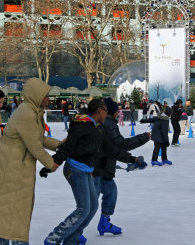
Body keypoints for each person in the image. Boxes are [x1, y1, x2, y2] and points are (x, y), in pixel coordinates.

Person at [0, 78, 62, 245]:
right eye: (45, 96)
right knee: (13, 213)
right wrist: (51, 164)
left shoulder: (34, 111)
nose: (48, 100)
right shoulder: (27, 114)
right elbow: (35, 147)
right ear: (36, 96)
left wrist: (59, 144)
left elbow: (39, 138)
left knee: (8, 212)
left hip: (16, 164)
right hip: (10, 165)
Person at [44, 99, 132, 245]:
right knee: (83, 208)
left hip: (86, 171)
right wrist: (55, 162)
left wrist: (132, 159)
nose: (107, 113)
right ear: (99, 111)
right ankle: (53, 238)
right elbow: (67, 146)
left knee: (92, 206)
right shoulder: (82, 126)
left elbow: (109, 148)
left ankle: (71, 240)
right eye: (105, 110)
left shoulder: (96, 127)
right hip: (75, 170)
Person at [93, 97, 150, 236]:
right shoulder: (109, 123)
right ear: (111, 112)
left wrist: (131, 159)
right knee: (89, 204)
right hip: (98, 168)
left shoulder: (105, 122)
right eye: (117, 111)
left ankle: (104, 222)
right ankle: (76, 231)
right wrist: (145, 137)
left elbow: (113, 148)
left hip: (103, 167)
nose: (119, 113)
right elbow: (121, 144)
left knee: (111, 193)